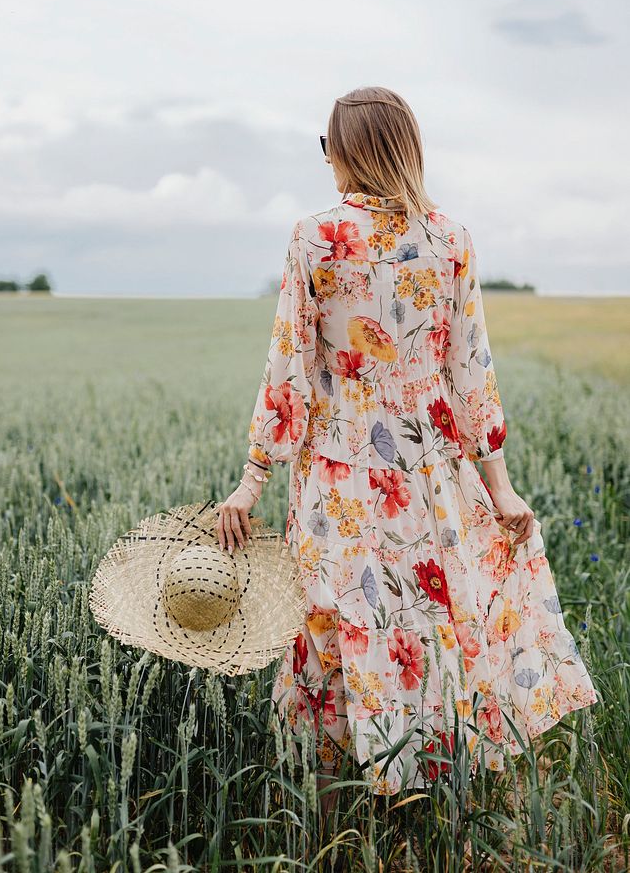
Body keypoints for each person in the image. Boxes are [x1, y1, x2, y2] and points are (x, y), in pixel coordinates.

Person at [216, 86, 599, 814]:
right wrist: (501, 486)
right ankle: (434, 788)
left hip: (338, 474)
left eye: (327, 147)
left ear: (348, 152)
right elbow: (470, 371)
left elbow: (287, 365)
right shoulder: (450, 239)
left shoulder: (313, 236)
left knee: (338, 622)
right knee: (431, 619)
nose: (326, 161)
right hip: (431, 472)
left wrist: (251, 478)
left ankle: (338, 803)